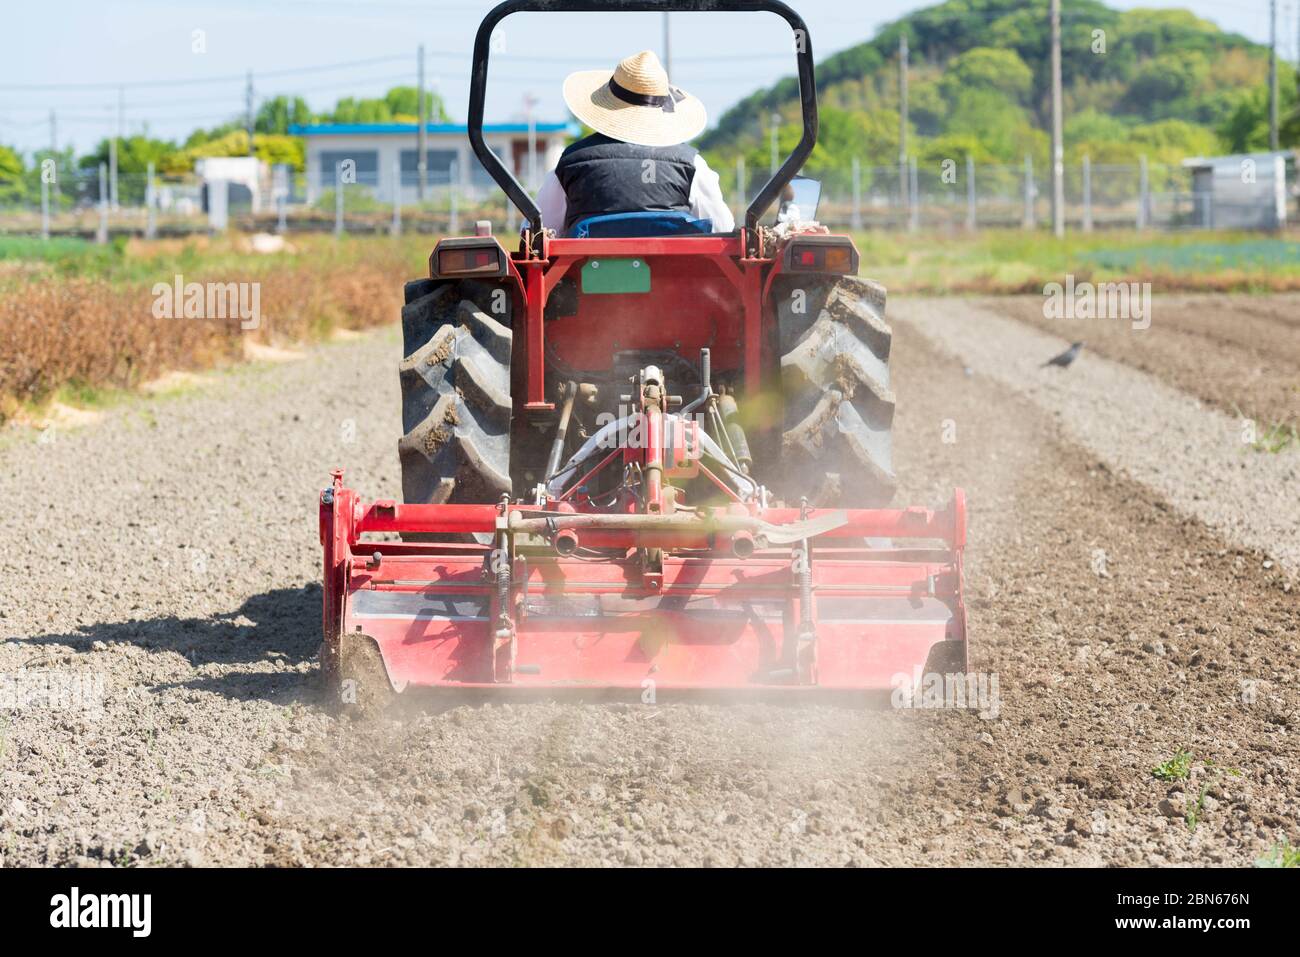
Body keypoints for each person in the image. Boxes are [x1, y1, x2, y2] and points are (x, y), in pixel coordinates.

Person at [537, 50, 735, 236]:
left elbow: (537, 233)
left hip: (584, 271)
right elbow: (723, 228)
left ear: (606, 103)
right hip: (675, 272)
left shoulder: (570, 163)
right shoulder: (692, 164)